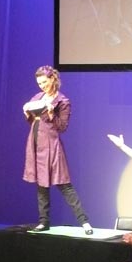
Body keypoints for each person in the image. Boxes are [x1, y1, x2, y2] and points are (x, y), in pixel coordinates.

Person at [23, 65, 93, 234]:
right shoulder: (37, 97)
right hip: (35, 142)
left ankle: (84, 222)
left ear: (52, 79)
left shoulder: (62, 101)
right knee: (41, 185)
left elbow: (62, 127)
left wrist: (51, 113)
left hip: (51, 144)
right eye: (39, 83)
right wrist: (27, 113)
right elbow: (32, 120)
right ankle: (43, 221)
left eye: (44, 82)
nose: (41, 86)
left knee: (64, 184)